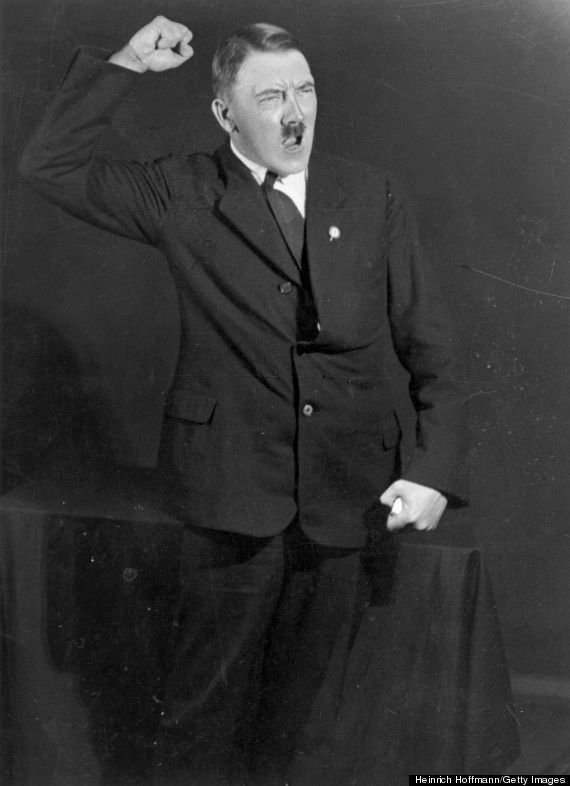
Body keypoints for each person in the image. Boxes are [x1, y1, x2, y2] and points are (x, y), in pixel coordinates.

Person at [20, 15, 465, 785]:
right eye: (270, 97)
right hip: (228, 498)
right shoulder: (179, 190)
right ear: (225, 113)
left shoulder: (373, 193)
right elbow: (48, 165)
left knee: (307, 730)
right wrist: (126, 64)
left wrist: (431, 471)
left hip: (348, 501)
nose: (296, 113)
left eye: (306, 90)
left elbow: (436, 351)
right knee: (200, 721)